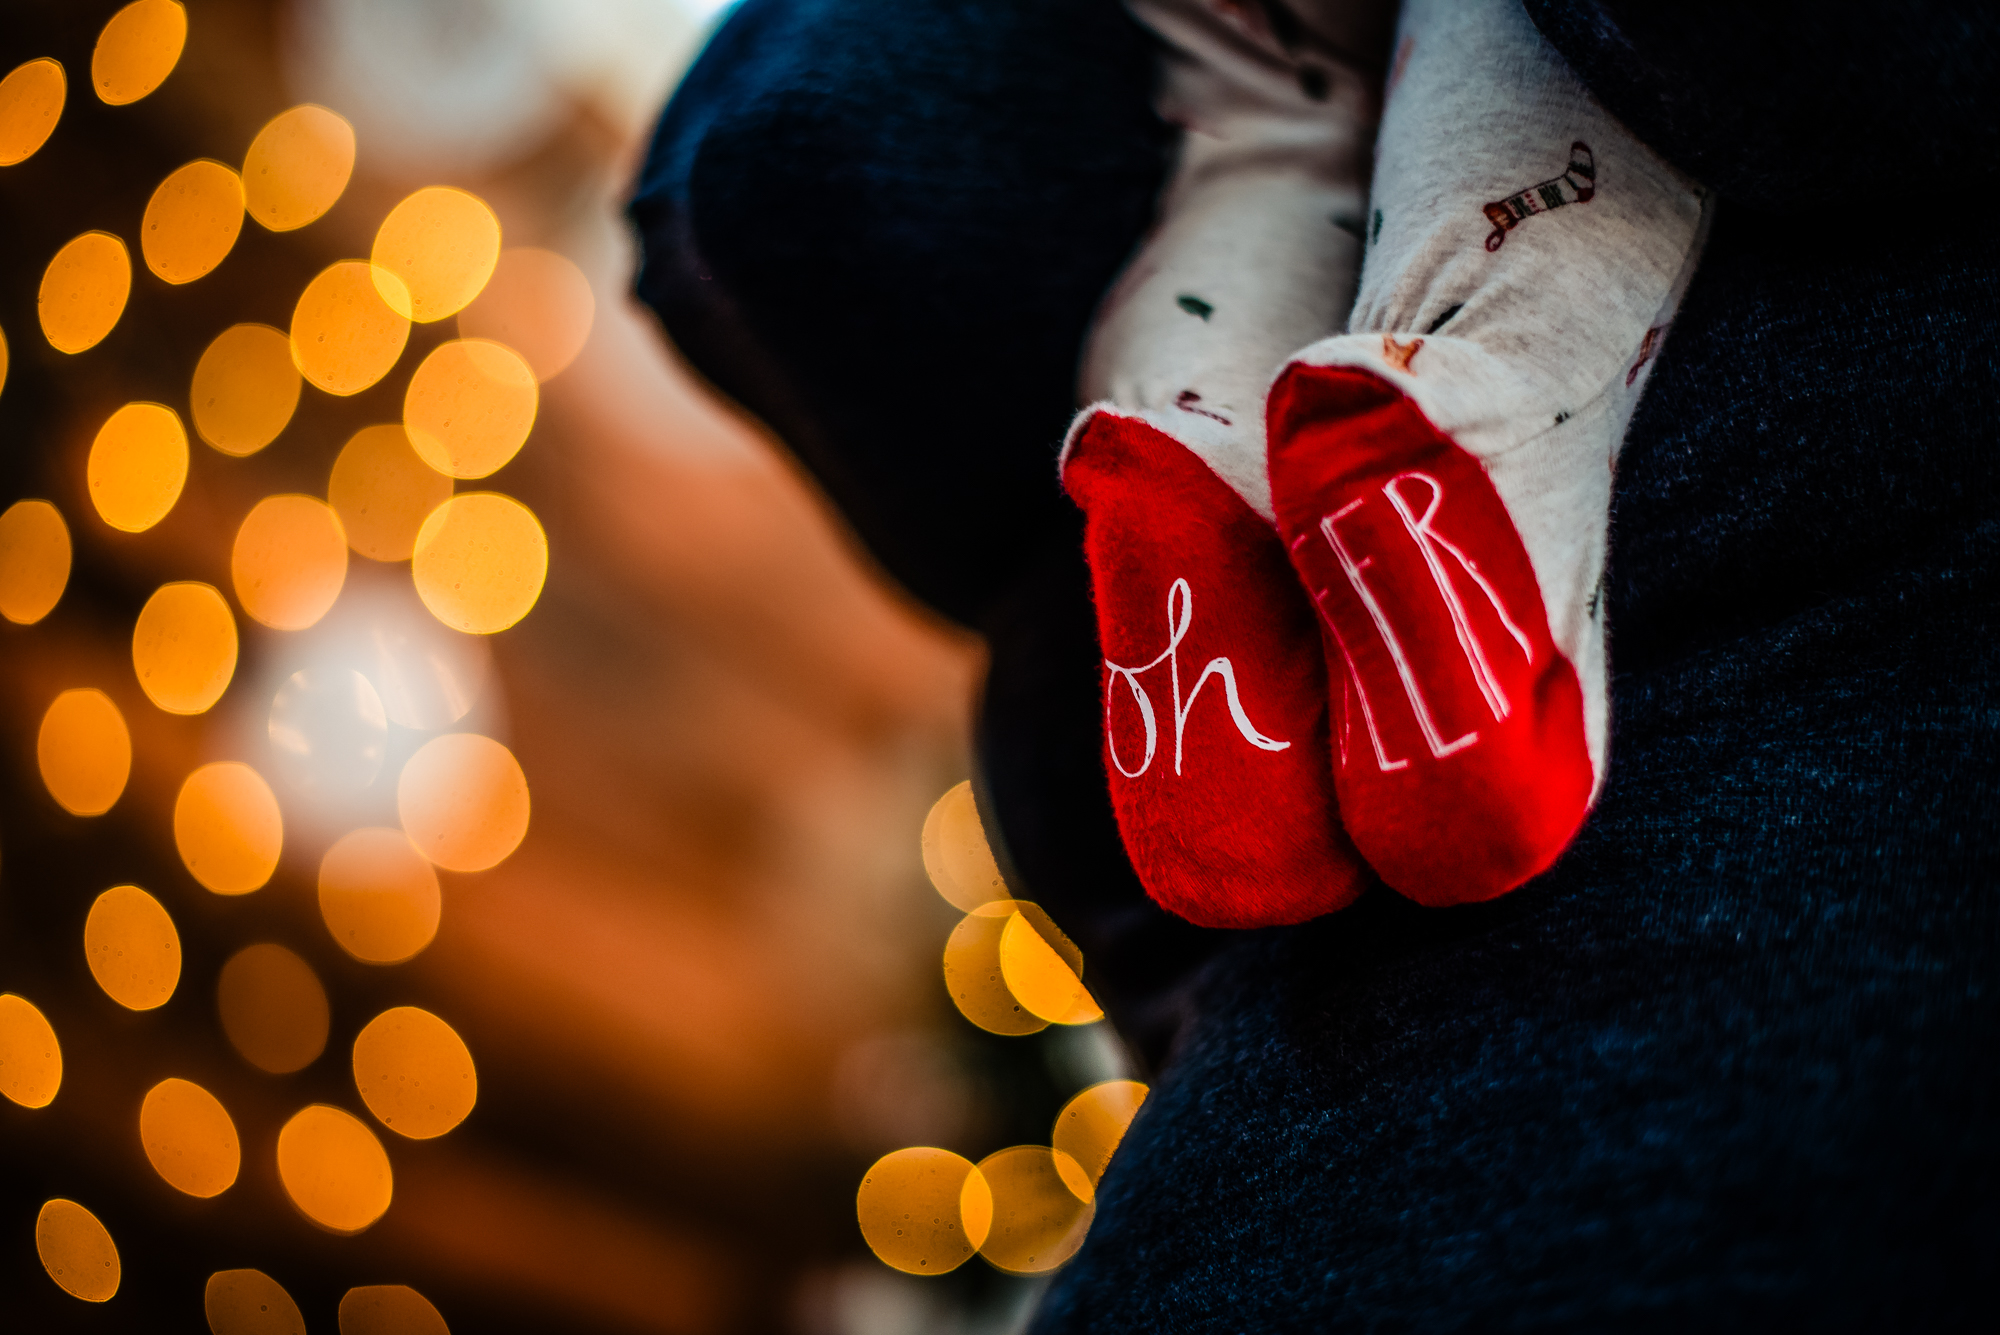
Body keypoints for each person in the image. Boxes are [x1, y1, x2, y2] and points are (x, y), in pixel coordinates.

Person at [629, 1, 2000, 1327]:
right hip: (1740, 1124)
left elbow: (787, 151)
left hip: (1242, 1218)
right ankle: (1459, 420)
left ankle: (1203, 448)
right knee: (1499, 94)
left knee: (1266, 137)